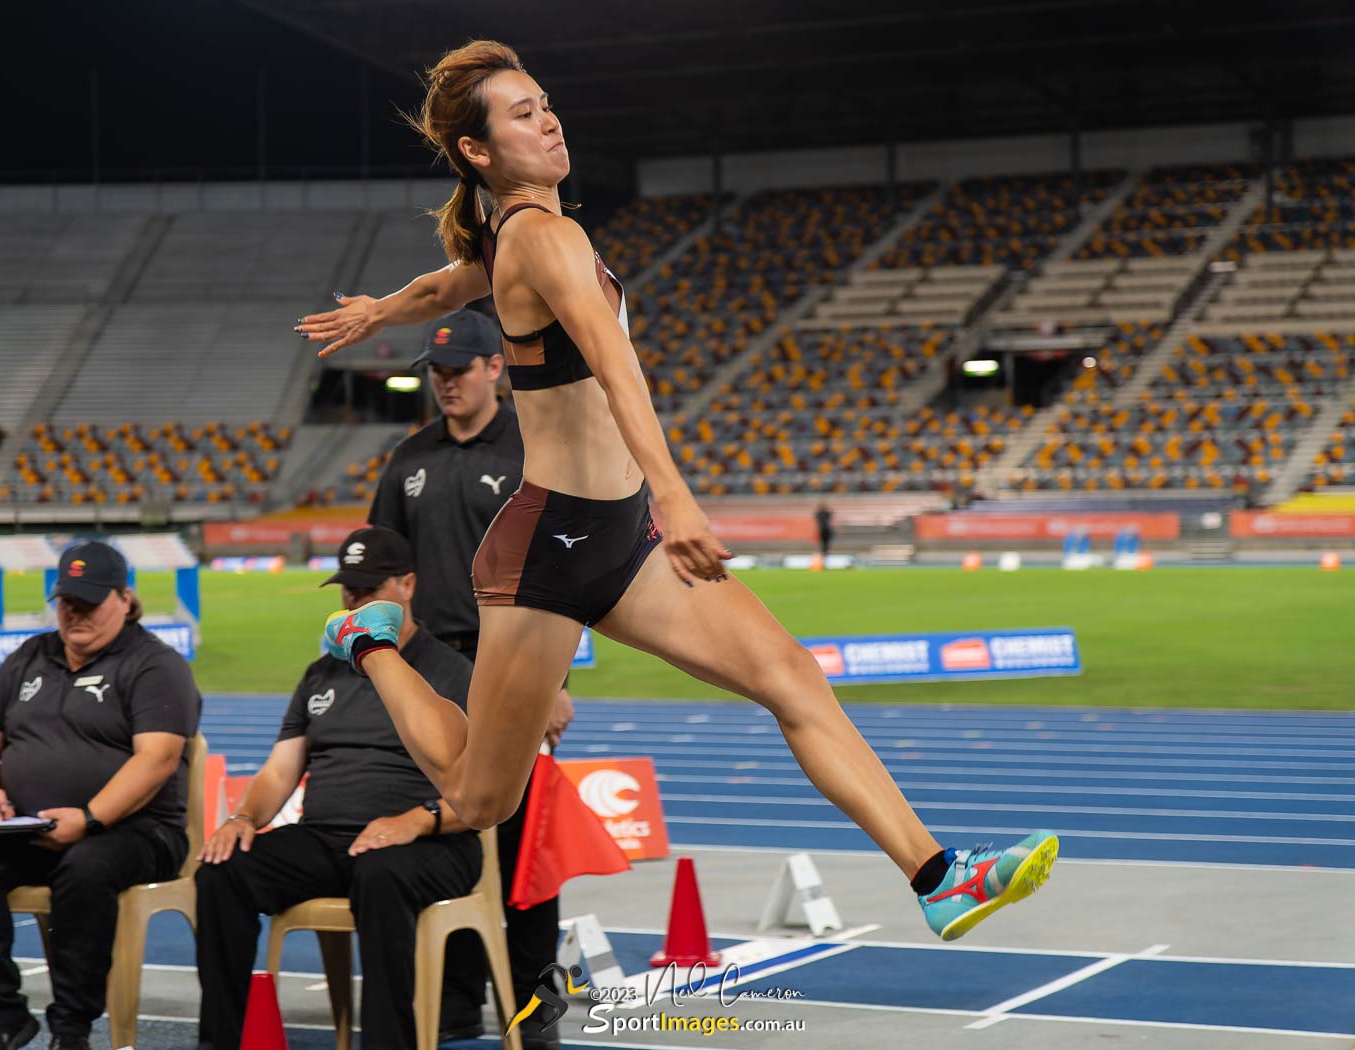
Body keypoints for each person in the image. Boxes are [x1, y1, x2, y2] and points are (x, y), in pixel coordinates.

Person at [297, 39, 1057, 942]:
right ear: (478, 151)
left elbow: (445, 282)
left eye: (546, 102)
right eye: (522, 113)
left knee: (793, 679)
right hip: (547, 549)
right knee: (477, 796)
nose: (549, 119)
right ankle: (370, 642)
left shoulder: (513, 236)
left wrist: (382, 309)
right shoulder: (543, 234)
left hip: (619, 541)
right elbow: (616, 364)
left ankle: (938, 877)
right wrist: (679, 499)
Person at [194, 527, 482, 1050]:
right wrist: (242, 818)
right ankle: (221, 1040)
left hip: (433, 840)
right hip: (327, 837)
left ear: (408, 585)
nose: (355, 601)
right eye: (349, 591)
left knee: (381, 873)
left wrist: (415, 821)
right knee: (222, 871)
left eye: (369, 590)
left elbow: (482, 789)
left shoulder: (452, 670)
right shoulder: (321, 672)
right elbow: (280, 771)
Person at [368, 309, 570, 1048]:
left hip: (514, 664)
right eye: (437, 372)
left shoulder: (534, 447)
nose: (446, 383)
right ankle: (453, 1010)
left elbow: (564, 567)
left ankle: (536, 1013)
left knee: (525, 859)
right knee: (437, 837)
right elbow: (381, 564)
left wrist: (553, 678)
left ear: (495, 368)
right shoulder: (408, 457)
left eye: (459, 370)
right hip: (429, 669)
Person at [0, 542, 201, 1050]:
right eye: (67, 600)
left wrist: (90, 818)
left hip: (137, 832)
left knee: (87, 866)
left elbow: (156, 759)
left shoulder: (155, 664)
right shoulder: (31, 655)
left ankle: (71, 1028)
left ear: (125, 599)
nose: (75, 613)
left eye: (89, 602)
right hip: (31, 829)